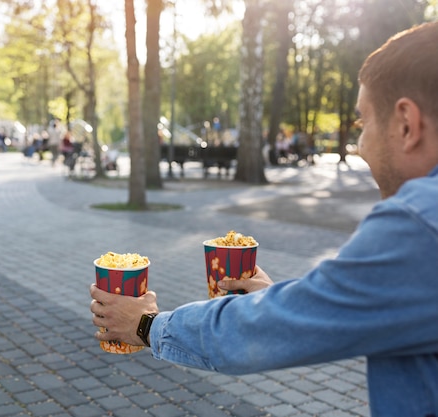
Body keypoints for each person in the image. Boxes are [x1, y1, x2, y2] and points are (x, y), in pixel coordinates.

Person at [89, 22, 438, 417]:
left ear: (406, 124)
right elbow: (329, 316)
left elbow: (271, 331)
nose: (359, 148)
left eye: (363, 123)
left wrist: (146, 326)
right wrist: (282, 302)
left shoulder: (419, 225)